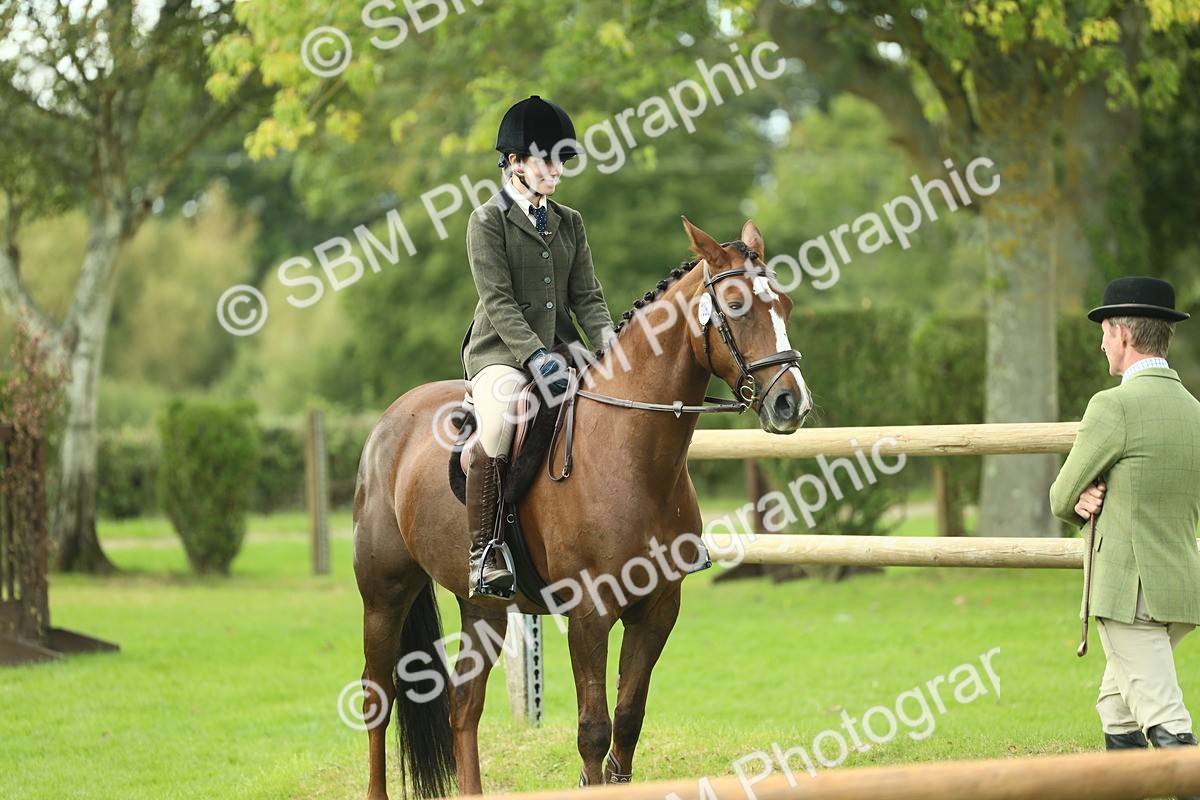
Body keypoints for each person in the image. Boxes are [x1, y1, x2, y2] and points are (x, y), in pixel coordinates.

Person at [460, 95, 615, 599]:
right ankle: (485, 552)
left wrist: (613, 347)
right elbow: (499, 303)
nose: (557, 171)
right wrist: (534, 357)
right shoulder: (487, 221)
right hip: (501, 353)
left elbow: (587, 297)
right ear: (514, 163)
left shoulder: (569, 221)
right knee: (504, 419)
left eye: (562, 161)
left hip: (564, 350)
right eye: (547, 160)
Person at [1049, 277, 1200, 776]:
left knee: (1166, 717)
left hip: (1130, 596)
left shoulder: (1112, 405)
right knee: (1117, 707)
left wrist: (1083, 501)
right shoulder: (1194, 411)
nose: (1101, 343)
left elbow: (1061, 496)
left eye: (1105, 332)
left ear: (1122, 335)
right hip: (1182, 593)